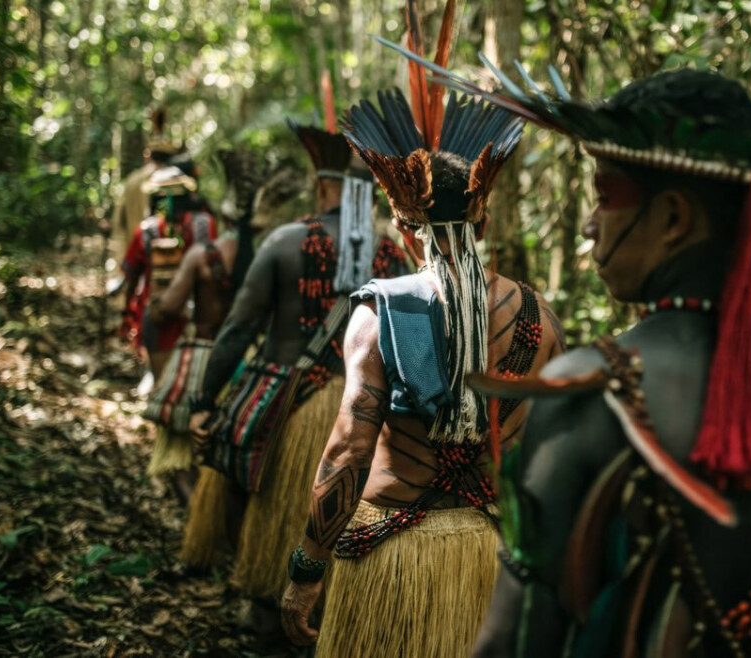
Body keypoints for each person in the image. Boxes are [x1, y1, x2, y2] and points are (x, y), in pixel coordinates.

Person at [428, 67, 751, 656]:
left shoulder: (587, 392)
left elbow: (516, 641)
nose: (589, 223)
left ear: (674, 219)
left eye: (604, 197)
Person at [279, 6, 565, 654]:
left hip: (391, 563)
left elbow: (349, 448)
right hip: (490, 563)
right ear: (483, 223)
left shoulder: (379, 311)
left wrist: (305, 570)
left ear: (404, 231)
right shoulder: (538, 318)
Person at [187, 92, 410, 638]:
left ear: (324, 186)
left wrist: (201, 401)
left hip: (286, 413)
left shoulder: (286, 242)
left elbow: (238, 329)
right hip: (359, 419)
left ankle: (266, 604)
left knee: (268, 515)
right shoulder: (393, 259)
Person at [141, 148, 266, 522]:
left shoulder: (202, 255)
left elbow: (170, 307)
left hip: (199, 357)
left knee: (179, 448)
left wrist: (153, 308)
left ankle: (199, 520)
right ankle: (221, 523)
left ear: (224, 215)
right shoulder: (261, 257)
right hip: (245, 361)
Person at [119, 164, 217, 379]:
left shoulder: (146, 231)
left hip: (158, 317)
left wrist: (126, 314)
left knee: (161, 380)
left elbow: (132, 276)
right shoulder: (206, 225)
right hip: (198, 319)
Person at [109, 107, 177, 258]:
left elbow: (118, 220)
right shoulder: (174, 180)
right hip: (164, 255)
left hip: (134, 253)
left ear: (148, 156)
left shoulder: (132, 179)